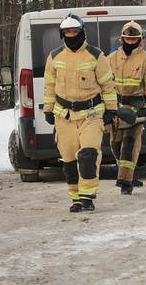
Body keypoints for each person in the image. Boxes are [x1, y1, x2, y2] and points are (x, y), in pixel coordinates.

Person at [43, 14, 118, 212]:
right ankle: (75, 198)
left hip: (91, 115)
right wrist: (48, 110)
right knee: (69, 160)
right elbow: (49, 86)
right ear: (62, 35)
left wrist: (111, 110)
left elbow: (108, 86)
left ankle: (87, 196)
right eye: (67, 32)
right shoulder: (54, 57)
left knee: (88, 155)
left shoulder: (96, 55)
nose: (71, 35)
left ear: (82, 32)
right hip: (64, 117)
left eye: (75, 31)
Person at [108, 21, 146, 195]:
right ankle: (130, 174)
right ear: (122, 39)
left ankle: (125, 182)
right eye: (127, 39)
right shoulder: (111, 59)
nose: (130, 42)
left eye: (134, 39)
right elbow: (104, 83)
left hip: (136, 108)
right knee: (116, 145)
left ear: (141, 40)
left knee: (130, 144)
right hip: (115, 107)